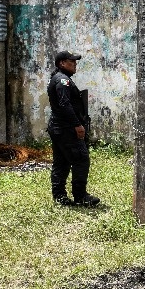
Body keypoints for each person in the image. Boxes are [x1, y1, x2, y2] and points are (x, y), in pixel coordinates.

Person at [47, 50, 101, 207]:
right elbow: (65, 105)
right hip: (66, 128)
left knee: (61, 162)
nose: (75, 64)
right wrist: (77, 125)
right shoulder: (63, 81)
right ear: (62, 63)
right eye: (72, 61)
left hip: (59, 127)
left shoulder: (59, 79)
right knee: (81, 159)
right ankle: (80, 196)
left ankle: (59, 196)